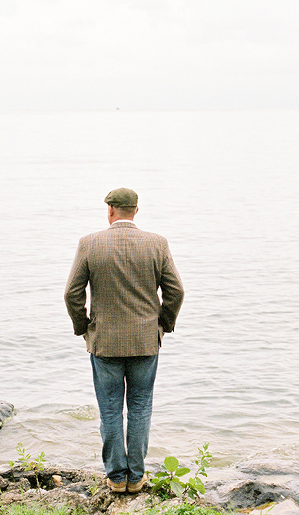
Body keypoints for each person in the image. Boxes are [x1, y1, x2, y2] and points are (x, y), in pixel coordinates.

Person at [64, 187, 184, 494]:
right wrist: (163, 325)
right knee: (141, 407)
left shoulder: (90, 243)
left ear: (110, 211)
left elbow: (72, 294)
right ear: (136, 211)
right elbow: (176, 292)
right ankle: (137, 475)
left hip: (104, 342)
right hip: (145, 340)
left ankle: (116, 477)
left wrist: (84, 327)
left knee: (110, 409)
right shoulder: (157, 243)